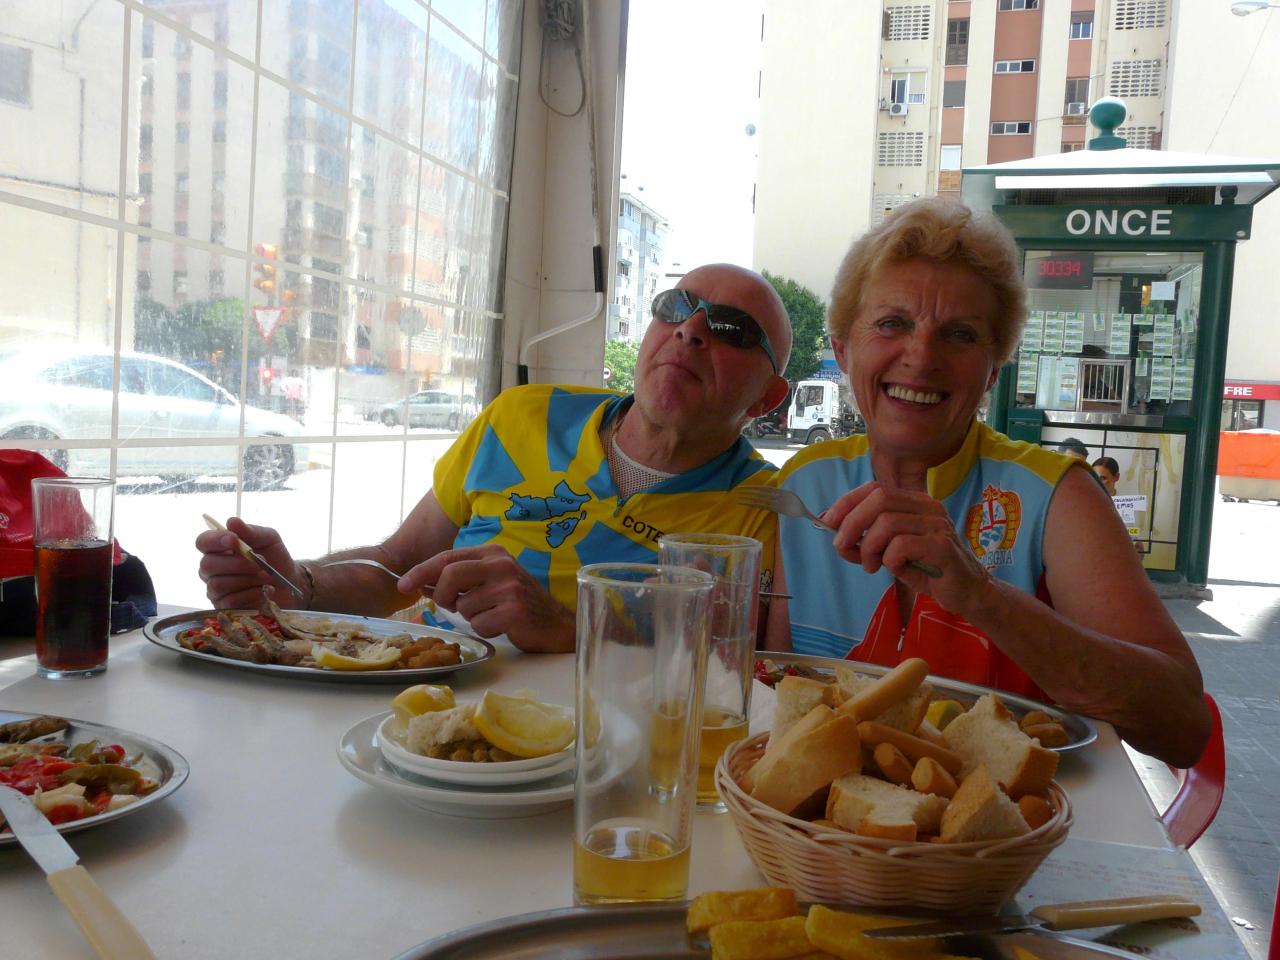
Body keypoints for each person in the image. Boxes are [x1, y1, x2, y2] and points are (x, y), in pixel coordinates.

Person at [762, 200, 1208, 767]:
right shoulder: (806, 482)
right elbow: (779, 686)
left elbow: (1182, 728)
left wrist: (980, 595)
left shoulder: (1057, 496)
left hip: (1016, 816)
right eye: (893, 323)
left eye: (960, 334)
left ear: (994, 369)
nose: (922, 357)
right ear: (843, 350)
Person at [197, 263, 793, 653]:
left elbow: (723, 669)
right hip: (414, 689)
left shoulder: (767, 512)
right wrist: (296, 584)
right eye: (676, 305)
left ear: (767, 399)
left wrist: (563, 626)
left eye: (731, 329)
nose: (690, 329)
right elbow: (398, 564)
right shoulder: (522, 417)